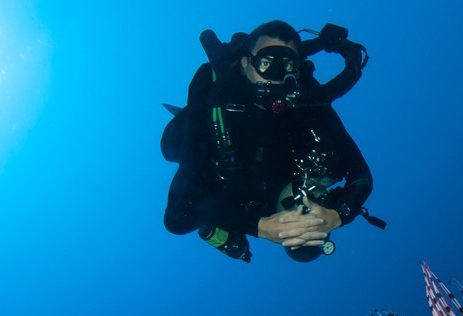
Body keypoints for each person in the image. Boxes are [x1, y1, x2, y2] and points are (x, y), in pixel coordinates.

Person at [162, 20, 380, 263]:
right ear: (245, 64)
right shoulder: (217, 91)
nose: (277, 78)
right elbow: (178, 215)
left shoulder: (309, 106)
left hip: (251, 190)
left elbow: (360, 174)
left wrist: (334, 215)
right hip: (211, 144)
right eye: (266, 63)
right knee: (173, 147)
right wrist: (337, 215)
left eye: (287, 65)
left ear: (296, 71)